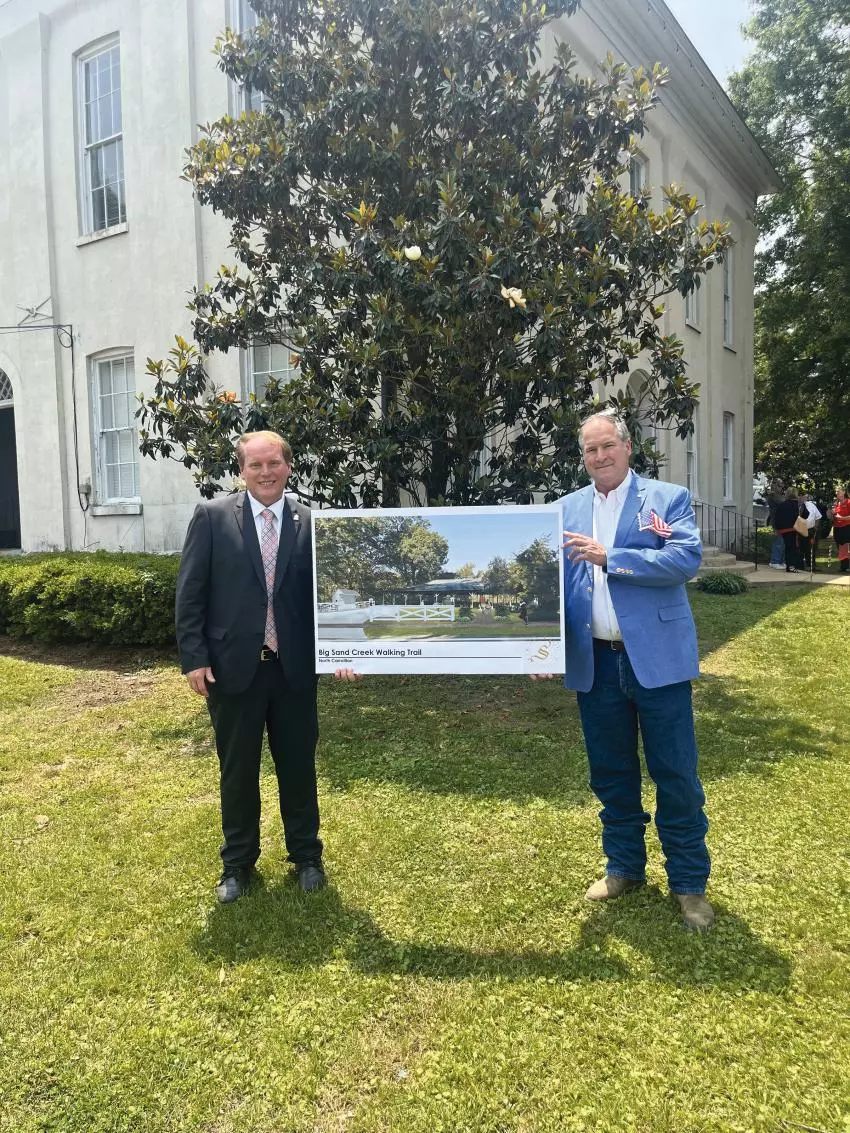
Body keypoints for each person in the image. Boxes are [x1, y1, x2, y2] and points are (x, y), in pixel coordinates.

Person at [535, 408, 713, 931]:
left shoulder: (666, 498)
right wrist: (542, 647)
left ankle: (688, 883)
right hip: (596, 660)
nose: (599, 457)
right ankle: (624, 867)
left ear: (627, 446)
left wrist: (610, 556)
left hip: (657, 660)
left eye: (607, 446)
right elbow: (548, 584)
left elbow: (684, 560)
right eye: (590, 450)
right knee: (611, 772)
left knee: (675, 774)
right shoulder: (565, 509)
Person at [176, 430, 350, 903]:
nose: (266, 472)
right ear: (242, 471)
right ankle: (237, 864)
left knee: (298, 767)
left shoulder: (311, 523)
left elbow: (326, 598)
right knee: (237, 772)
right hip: (232, 670)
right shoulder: (212, 518)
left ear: (288, 467)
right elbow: (190, 594)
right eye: (255, 465)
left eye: (274, 463)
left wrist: (345, 652)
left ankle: (307, 857)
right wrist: (194, 658)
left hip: (294, 671)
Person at [772, 487, 804, 573]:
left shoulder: (782, 504)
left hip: (783, 529)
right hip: (793, 529)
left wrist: (777, 528)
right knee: (793, 548)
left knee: (787, 547)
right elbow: (804, 515)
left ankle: (788, 564)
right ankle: (791, 566)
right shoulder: (798, 505)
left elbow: (777, 517)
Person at [828, 484, 850, 572]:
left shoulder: (848, 502)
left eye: (838, 491)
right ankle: (843, 566)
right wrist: (830, 514)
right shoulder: (836, 503)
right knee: (840, 547)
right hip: (837, 528)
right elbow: (833, 517)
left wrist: (841, 518)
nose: (836, 493)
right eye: (836, 492)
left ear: (844, 492)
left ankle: (847, 566)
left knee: (847, 547)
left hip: (847, 527)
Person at [800, 492, 822, 572]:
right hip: (800, 530)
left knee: (812, 548)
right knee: (803, 548)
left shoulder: (811, 505)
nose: (805, 498)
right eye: (803, 496)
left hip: (812, 530)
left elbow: (818, 517)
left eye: (806, 496)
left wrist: (815, 527)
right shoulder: (796, 506)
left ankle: (812, 565)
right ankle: (802, 565)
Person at [766, 480, 786, 569]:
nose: (781, 488)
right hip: (776, 521)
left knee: (782, 542)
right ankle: (775, 561)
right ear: (775, 486)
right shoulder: (773, 496)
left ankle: (780, 561)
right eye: (780, 486)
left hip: (781, 521)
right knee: (778, 542)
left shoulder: (779, 496)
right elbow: (783, 502)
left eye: (782, 486)